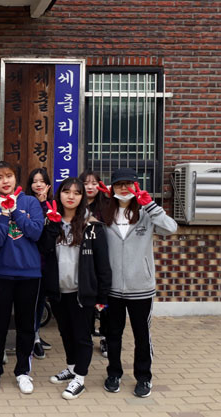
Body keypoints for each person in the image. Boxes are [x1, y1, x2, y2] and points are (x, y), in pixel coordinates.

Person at [101, 168, 177, 398]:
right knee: (113, 334)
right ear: (112, 188)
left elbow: (171, 228)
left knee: (141, 335)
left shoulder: (146, 213)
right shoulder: (105, 214)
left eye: (129, 184)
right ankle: (114, 373)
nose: (124, 188)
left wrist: (151, 206)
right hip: (112, 288)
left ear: (136, 187)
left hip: (140, 287)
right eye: (119, 184)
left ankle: (144, 377)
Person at [39, 178, 112, 400]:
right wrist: (52, 226)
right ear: (59, 194)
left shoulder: (93, 226)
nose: (71, 196)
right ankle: (71, 368)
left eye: (77, 193)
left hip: (82, 292)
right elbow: (43, 250)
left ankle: (80, 377)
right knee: (66, 333)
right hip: (59, 291)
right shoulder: (51, 221)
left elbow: (103, 263)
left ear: (83, 197)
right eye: (66, 191)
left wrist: (102, 296)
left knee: (82, 336)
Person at [0, 161, 44, 395]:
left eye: (8, 176)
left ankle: (23, 372)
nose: (5, 181)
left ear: (15, 178)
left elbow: (36, 232)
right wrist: (2, 214)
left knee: (26, 325)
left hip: (29, 273)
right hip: (0, 274)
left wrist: (16, 211)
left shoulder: (30, 202)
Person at [79, 169, 110, 357]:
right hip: (85, 259)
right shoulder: (77, 204)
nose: (90, 187)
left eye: (94, 183)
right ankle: (88, 335)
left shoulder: (107, 205)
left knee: (104, 299)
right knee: (88, 301)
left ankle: (105, 337)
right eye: (85, 183)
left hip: (104, 257)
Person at [25, 167, 54, 359]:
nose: (38, 184)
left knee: (40, 300)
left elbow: (50, 229)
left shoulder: (53, 204)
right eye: (34, 181)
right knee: (30, 302)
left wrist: (44, 204)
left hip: (46, 262)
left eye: (41, 181)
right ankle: (31, 338)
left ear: (47, 184)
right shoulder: (24, 203)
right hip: (29, 261)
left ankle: (35, 335)